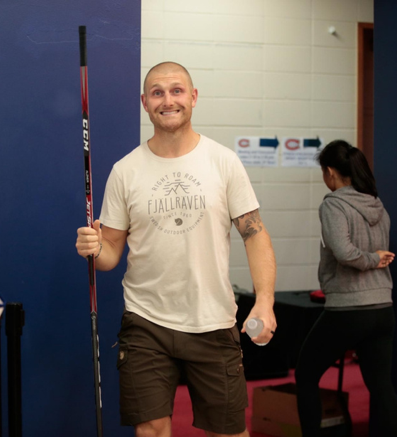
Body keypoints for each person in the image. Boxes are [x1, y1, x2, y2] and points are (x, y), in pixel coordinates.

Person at [75, 61, 277, 437]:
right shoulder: (126, 170)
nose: (168, 100)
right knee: (151, 428)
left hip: (213, 319)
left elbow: (255, 233)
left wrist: (264, 300)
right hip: (146, 322)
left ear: (194, 97)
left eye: (177, 90)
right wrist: (93, 247)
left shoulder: (223, 162)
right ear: (144, 102)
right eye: (157, 92)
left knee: (229, 432)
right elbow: (110, 255)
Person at [295, 140, 397, 437]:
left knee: (305, 375)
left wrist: (370, 259)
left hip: (349, 310)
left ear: (330, 172)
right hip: (383, 308)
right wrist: (375, 259)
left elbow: (344, 253)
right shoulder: (376, 203)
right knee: (381, 386)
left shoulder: (333, 205)